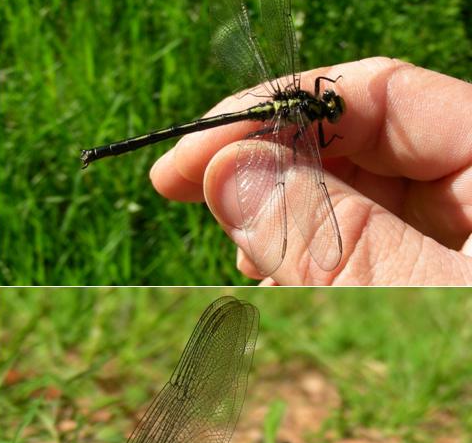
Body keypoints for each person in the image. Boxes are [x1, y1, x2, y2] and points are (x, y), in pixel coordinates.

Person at [149, 57, 472, 285]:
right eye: (330, 103)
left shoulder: (305, 96)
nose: (330, 101)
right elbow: (323, 136)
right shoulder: (311, 120)